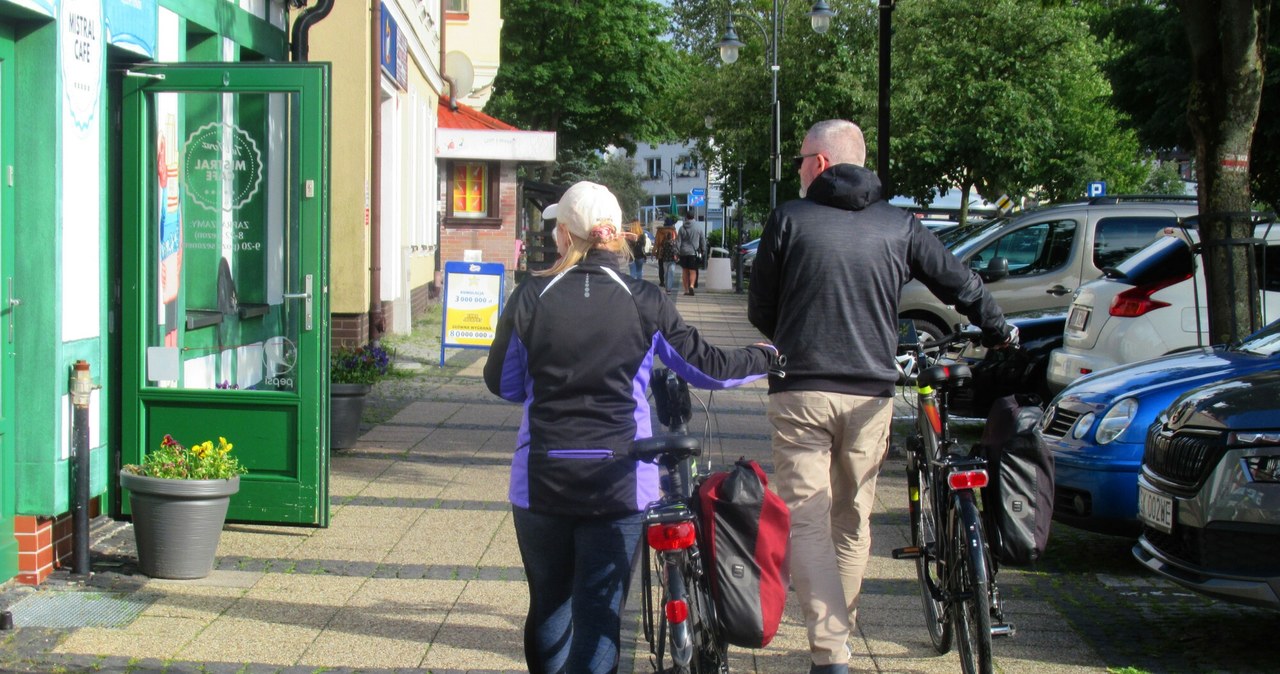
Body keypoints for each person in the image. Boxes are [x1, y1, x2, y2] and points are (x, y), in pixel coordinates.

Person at [747, 119, 1017, 674]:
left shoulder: (788, 219)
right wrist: (998, 329)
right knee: (852, 521)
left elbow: (760, 311)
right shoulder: (900, 225)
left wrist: (794, 337)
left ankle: (831, 653)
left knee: (808, 520)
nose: (796, 167)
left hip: (801, 392)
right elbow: (959, 282)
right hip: (871, 396)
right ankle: (835, 640)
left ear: (821, 163)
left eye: (800, 158)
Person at [484, 180, 779, 674]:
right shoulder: (644, 299)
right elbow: (704, 367)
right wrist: (764, 357)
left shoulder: (529, 296)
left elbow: (504, 383)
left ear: (565, 235)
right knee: (600, 617)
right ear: (616, 236)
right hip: (619, 480)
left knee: (550, 605)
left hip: (540, 481)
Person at [676, 211, 706, 296]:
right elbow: (702, 240)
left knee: (685, 271)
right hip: (693, 252)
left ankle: (686, 290)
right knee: (693, 271)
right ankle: (692, 285)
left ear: (686, 217)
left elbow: (678, 241)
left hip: (683, 253)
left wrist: (677, 252)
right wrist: (703, 250)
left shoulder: (682, 228)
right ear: (693, 217)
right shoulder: (698, 227)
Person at [656, 220, 679, 293]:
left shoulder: (659, 231)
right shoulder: (673, 231)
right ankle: (668, 286)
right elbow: (677, 241)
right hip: (671, 255)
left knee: (661, 268)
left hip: (661, 251)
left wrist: (655, 252)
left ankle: (662, 281)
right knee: (670, 272)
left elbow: (656, 242)